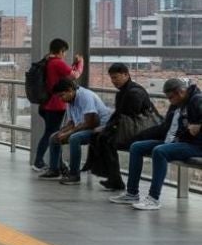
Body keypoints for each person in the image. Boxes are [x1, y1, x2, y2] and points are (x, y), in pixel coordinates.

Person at [109, 78, 202, 211]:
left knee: (160, 151)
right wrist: (138, 137)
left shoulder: (196, 100)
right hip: (176, 140)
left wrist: (198, 126)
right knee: (136, 147)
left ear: (180, 92)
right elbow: (165, 128)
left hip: (196, 145)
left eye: (170, 97)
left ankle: (153, 198)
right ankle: (132, 193)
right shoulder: (178, 104)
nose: (170, 101)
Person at [88, 64, 159, 191]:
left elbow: (126, 116)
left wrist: (106, 128)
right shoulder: (125, 91)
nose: (113, 81)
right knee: (100, 137)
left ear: (126, 75)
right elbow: (119, 116)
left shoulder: (133, 93)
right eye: (112, 78)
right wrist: (106, 127)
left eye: (116, 77)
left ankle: (113, 178)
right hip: (130, 128)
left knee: (106, 140)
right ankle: (111, 177)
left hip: (138, 131)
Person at [41, 79, 113, 183]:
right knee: (54, 137)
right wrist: (62, 132)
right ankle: (54, 169)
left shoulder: (85, 96)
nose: (61, 99)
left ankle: (74, 174)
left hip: (100, 128)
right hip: (85, 127)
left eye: (62, 95)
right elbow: (71, 123)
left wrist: (69, 133)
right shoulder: (70, 100)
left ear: (70, 90)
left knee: (74, 138)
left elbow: (90, 123)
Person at [33, 38, 84, 173]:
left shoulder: (48, 61)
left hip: (45, 104)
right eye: (65, 52)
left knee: (53, 133)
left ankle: (58, 163)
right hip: (55, 106)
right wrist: (81, 63)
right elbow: (75, 75)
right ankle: (39, 161)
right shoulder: (57, 63)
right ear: (61, 51)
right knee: (53, 134)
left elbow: (63, 76)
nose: (65, 55)